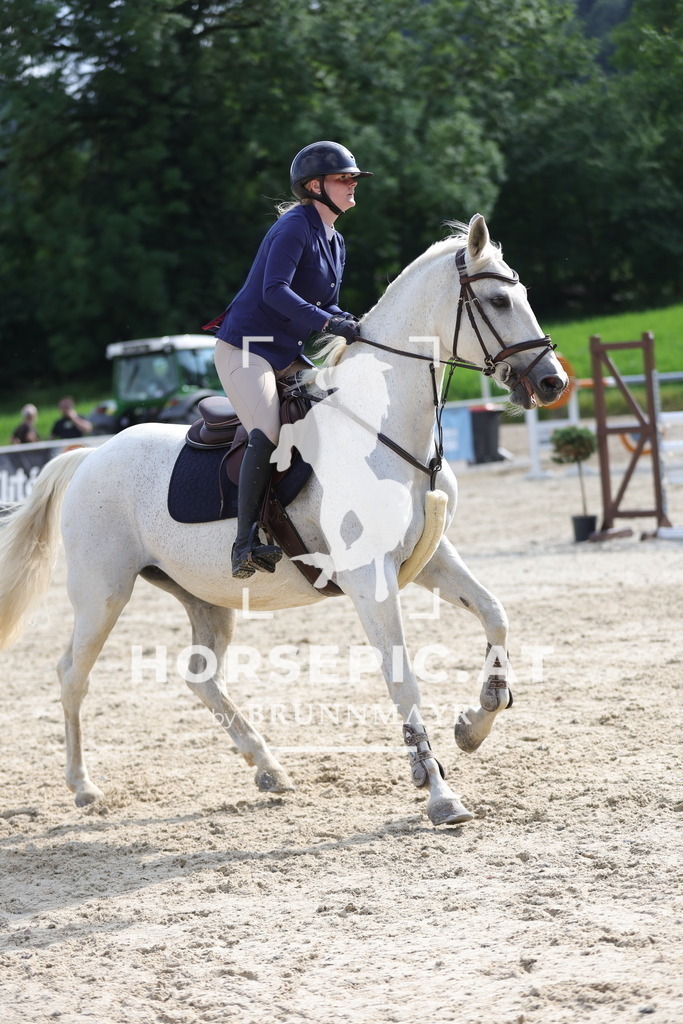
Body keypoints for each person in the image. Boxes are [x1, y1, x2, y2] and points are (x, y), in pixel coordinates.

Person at [205, 141, 373, 580]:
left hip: (283, 353)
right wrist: (327, 323)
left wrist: (359, 326)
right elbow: (274, 291)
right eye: (344, 178)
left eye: (353, 177)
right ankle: (244, 544)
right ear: (315, 186)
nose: (353, 184)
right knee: (269, 428)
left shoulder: (335, 240)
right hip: (247, 347)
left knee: (336, 405)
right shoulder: (294, 227)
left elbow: (330, 305)